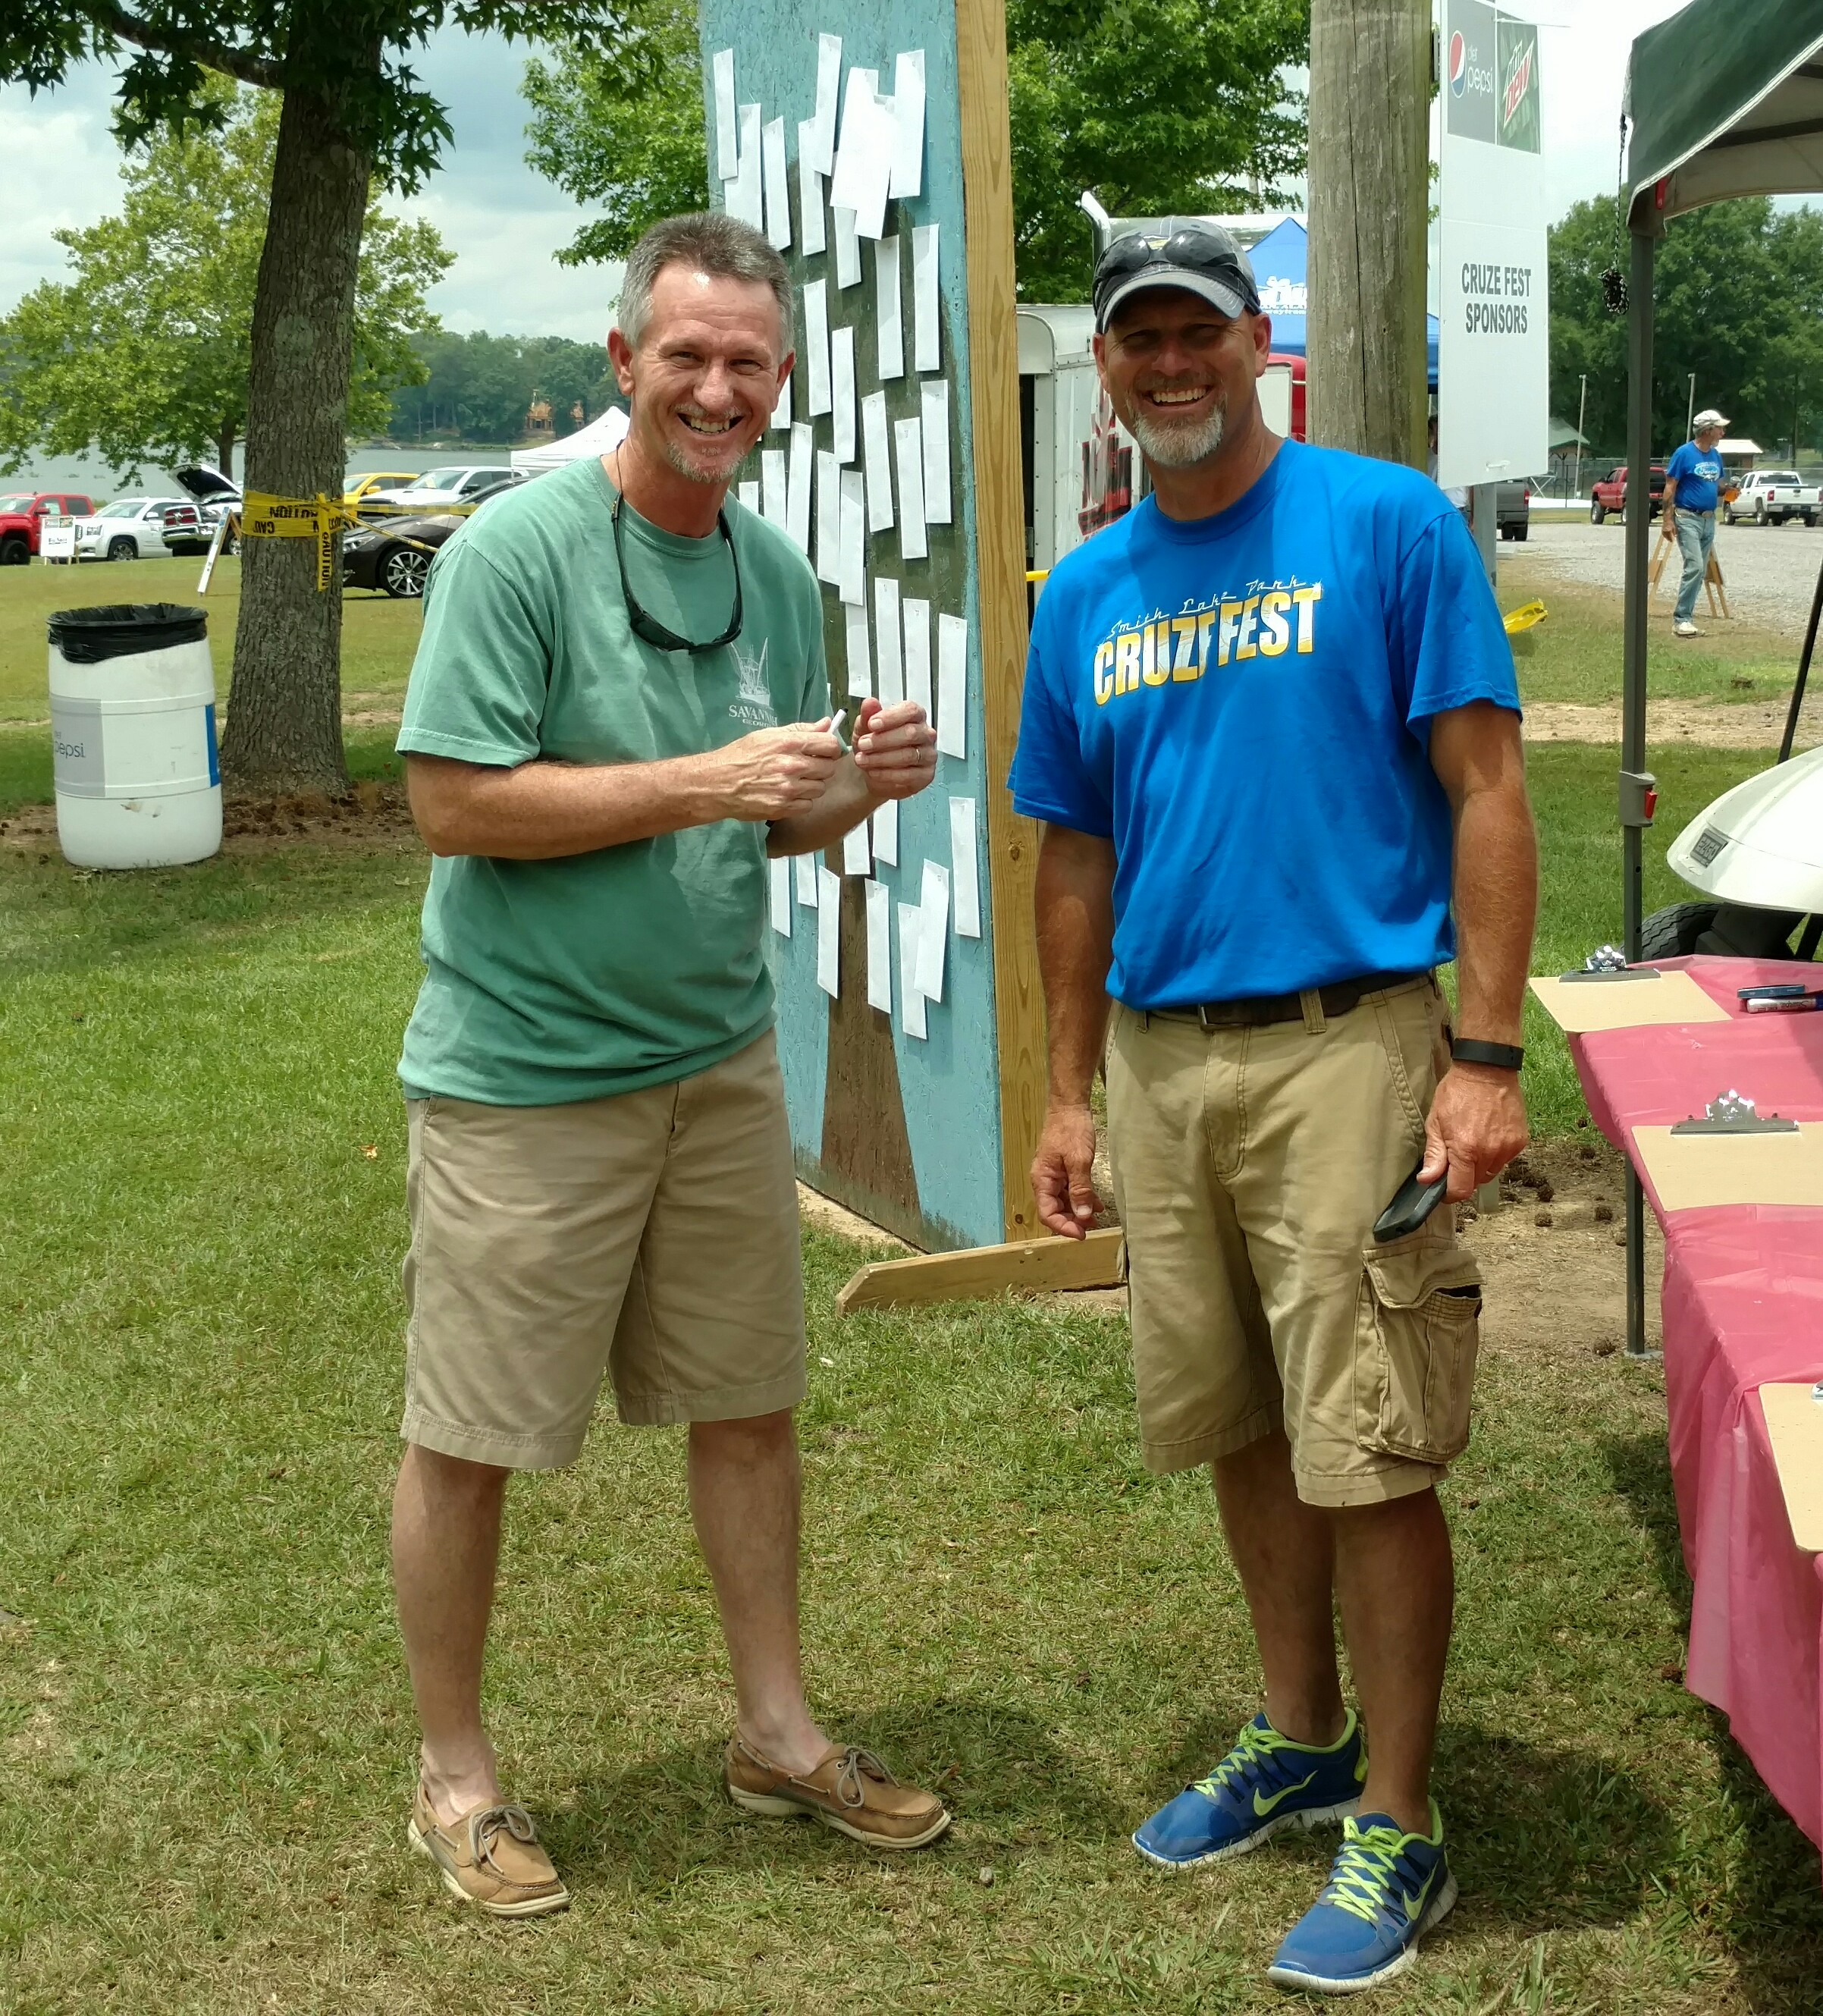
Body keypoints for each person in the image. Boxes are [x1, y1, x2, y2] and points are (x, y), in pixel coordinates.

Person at [388, 211, 946, 1917]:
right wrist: (709, 777)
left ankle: (775, 1732)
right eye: (686, 354)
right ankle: (455, 1778)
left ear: (780, 383)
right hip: (524, 1074)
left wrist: (850, 792)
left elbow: (760, 826)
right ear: (622, 363)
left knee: (749, 1409)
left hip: (715, 1066)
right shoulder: (518, 551)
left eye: (747, 362)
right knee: (471, 1434)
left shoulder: (778, 580)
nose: (717, 386)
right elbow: (451, 802)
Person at [1009, 225, 1537, 1996]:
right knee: (1238, 1412)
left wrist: (1482, 1053)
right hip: (1164, 1061)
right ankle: (1299, 1729)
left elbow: (1483, 786)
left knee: (1366, 1434)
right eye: (1137, 338)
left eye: (1197, 334)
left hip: (1349, 1043)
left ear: (1256, 348)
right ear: (1106, 365)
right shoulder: (1082, 593)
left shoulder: (1382, 523)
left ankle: (1398, 1807)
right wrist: (1068, 1086)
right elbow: (1071, 852)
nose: (1169, 364)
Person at [1665, 407, 1730, 638]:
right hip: (1687, 517)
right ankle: (1681, 619)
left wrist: (1728, 491)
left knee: (1699, 571)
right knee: (1695, 567)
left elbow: (1715, 485)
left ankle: (1686, 618)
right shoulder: (1683, 454)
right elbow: (1670, 487)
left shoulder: (1715, 456)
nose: (1722, 432)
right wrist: (1667, 521)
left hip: (1708, 520)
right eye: (1719, 428)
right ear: (1708, 430)